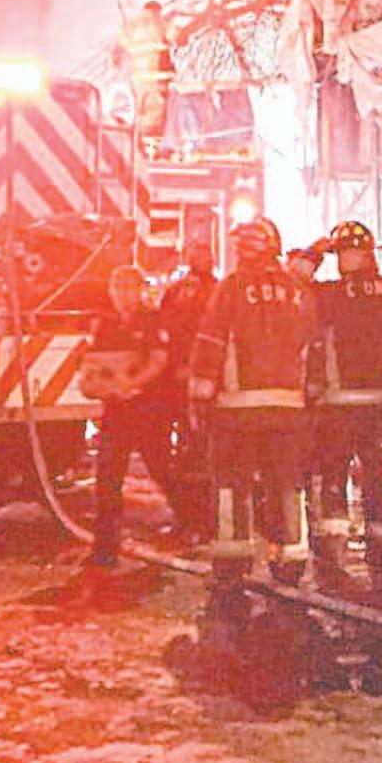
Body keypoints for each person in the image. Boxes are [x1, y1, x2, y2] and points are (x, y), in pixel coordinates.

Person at [188, 216, 318, 587]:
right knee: (286, 484)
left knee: (232, 485)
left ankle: (233, 560)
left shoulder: (232, 288)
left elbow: (211, 343)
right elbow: (314, 348)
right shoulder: (299, 291)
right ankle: (289, 559)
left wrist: (198, 400)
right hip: (289, 409)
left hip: (237, 411)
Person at [309, 220, 382, 575]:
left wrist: (312, 255)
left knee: (333, 477)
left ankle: (333, 550)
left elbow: (293, 288)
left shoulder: (329, 295)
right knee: (379, 478)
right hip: (380, 403)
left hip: (338, 405)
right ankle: (381, 550)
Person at [84, 265, 177, 566]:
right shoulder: (106, 324)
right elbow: (94, 361)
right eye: (117, 287)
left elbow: (159, 360)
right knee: (107, 478)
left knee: (163, 471)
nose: (122, 294)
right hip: (117, 411)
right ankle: (105, 549)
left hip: (149, 410)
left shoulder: (152, 320)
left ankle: (194, 524)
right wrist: (92, 383)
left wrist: (133, 383)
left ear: (139, 290)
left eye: (128, 287)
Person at [156, 226, 222, 545]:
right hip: (194, 384)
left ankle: (197, 520)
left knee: (196, 454)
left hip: (194, 384)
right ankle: (196, 520)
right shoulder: (214, 291)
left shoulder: (214, 292)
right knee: (193, 454)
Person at [118, 0, 175, 138]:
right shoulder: (161, 24)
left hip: (139, 78)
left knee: (142, 107)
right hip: (156, 79)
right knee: (154, 111)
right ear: (157, 11)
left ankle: (142, 135)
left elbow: (124, 42)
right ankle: (150, 136)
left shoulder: (132, 26)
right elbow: (176, 38)